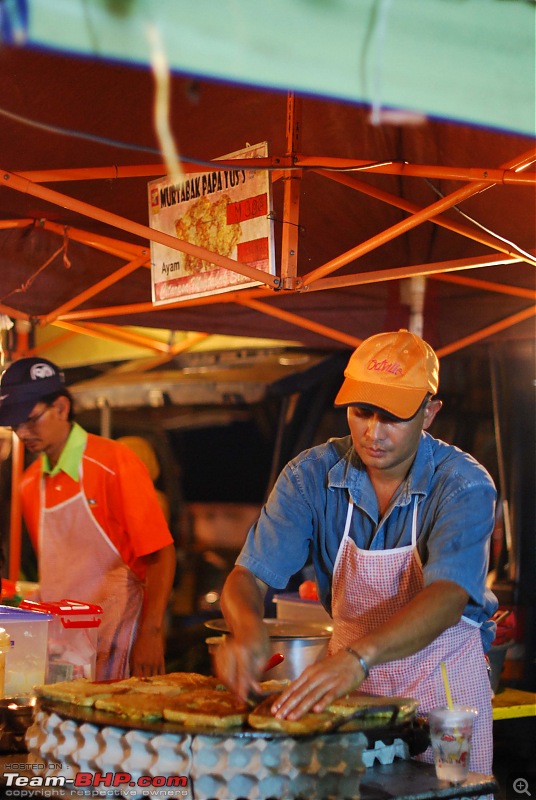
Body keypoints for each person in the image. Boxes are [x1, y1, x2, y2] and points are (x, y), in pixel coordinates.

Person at [215, 329, 498, 776]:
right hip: (347, 689)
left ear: (429, 413)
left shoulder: (462, 484)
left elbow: (447, 597)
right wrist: (248, 632)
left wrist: (359, 659)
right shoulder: (310, 476)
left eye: (393, 417)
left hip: (441, 690)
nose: (373, 432)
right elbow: (248, 576)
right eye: (361, 412)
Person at [0, 357, 176, 680]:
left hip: (120, 639)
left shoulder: (113, 463)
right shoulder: (29, 484)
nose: (23, 433)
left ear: (62, 408)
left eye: (31, 419)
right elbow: (59, 575)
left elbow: (161, 555)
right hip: (60, 652)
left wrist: (151, 633)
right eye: (15, 425)